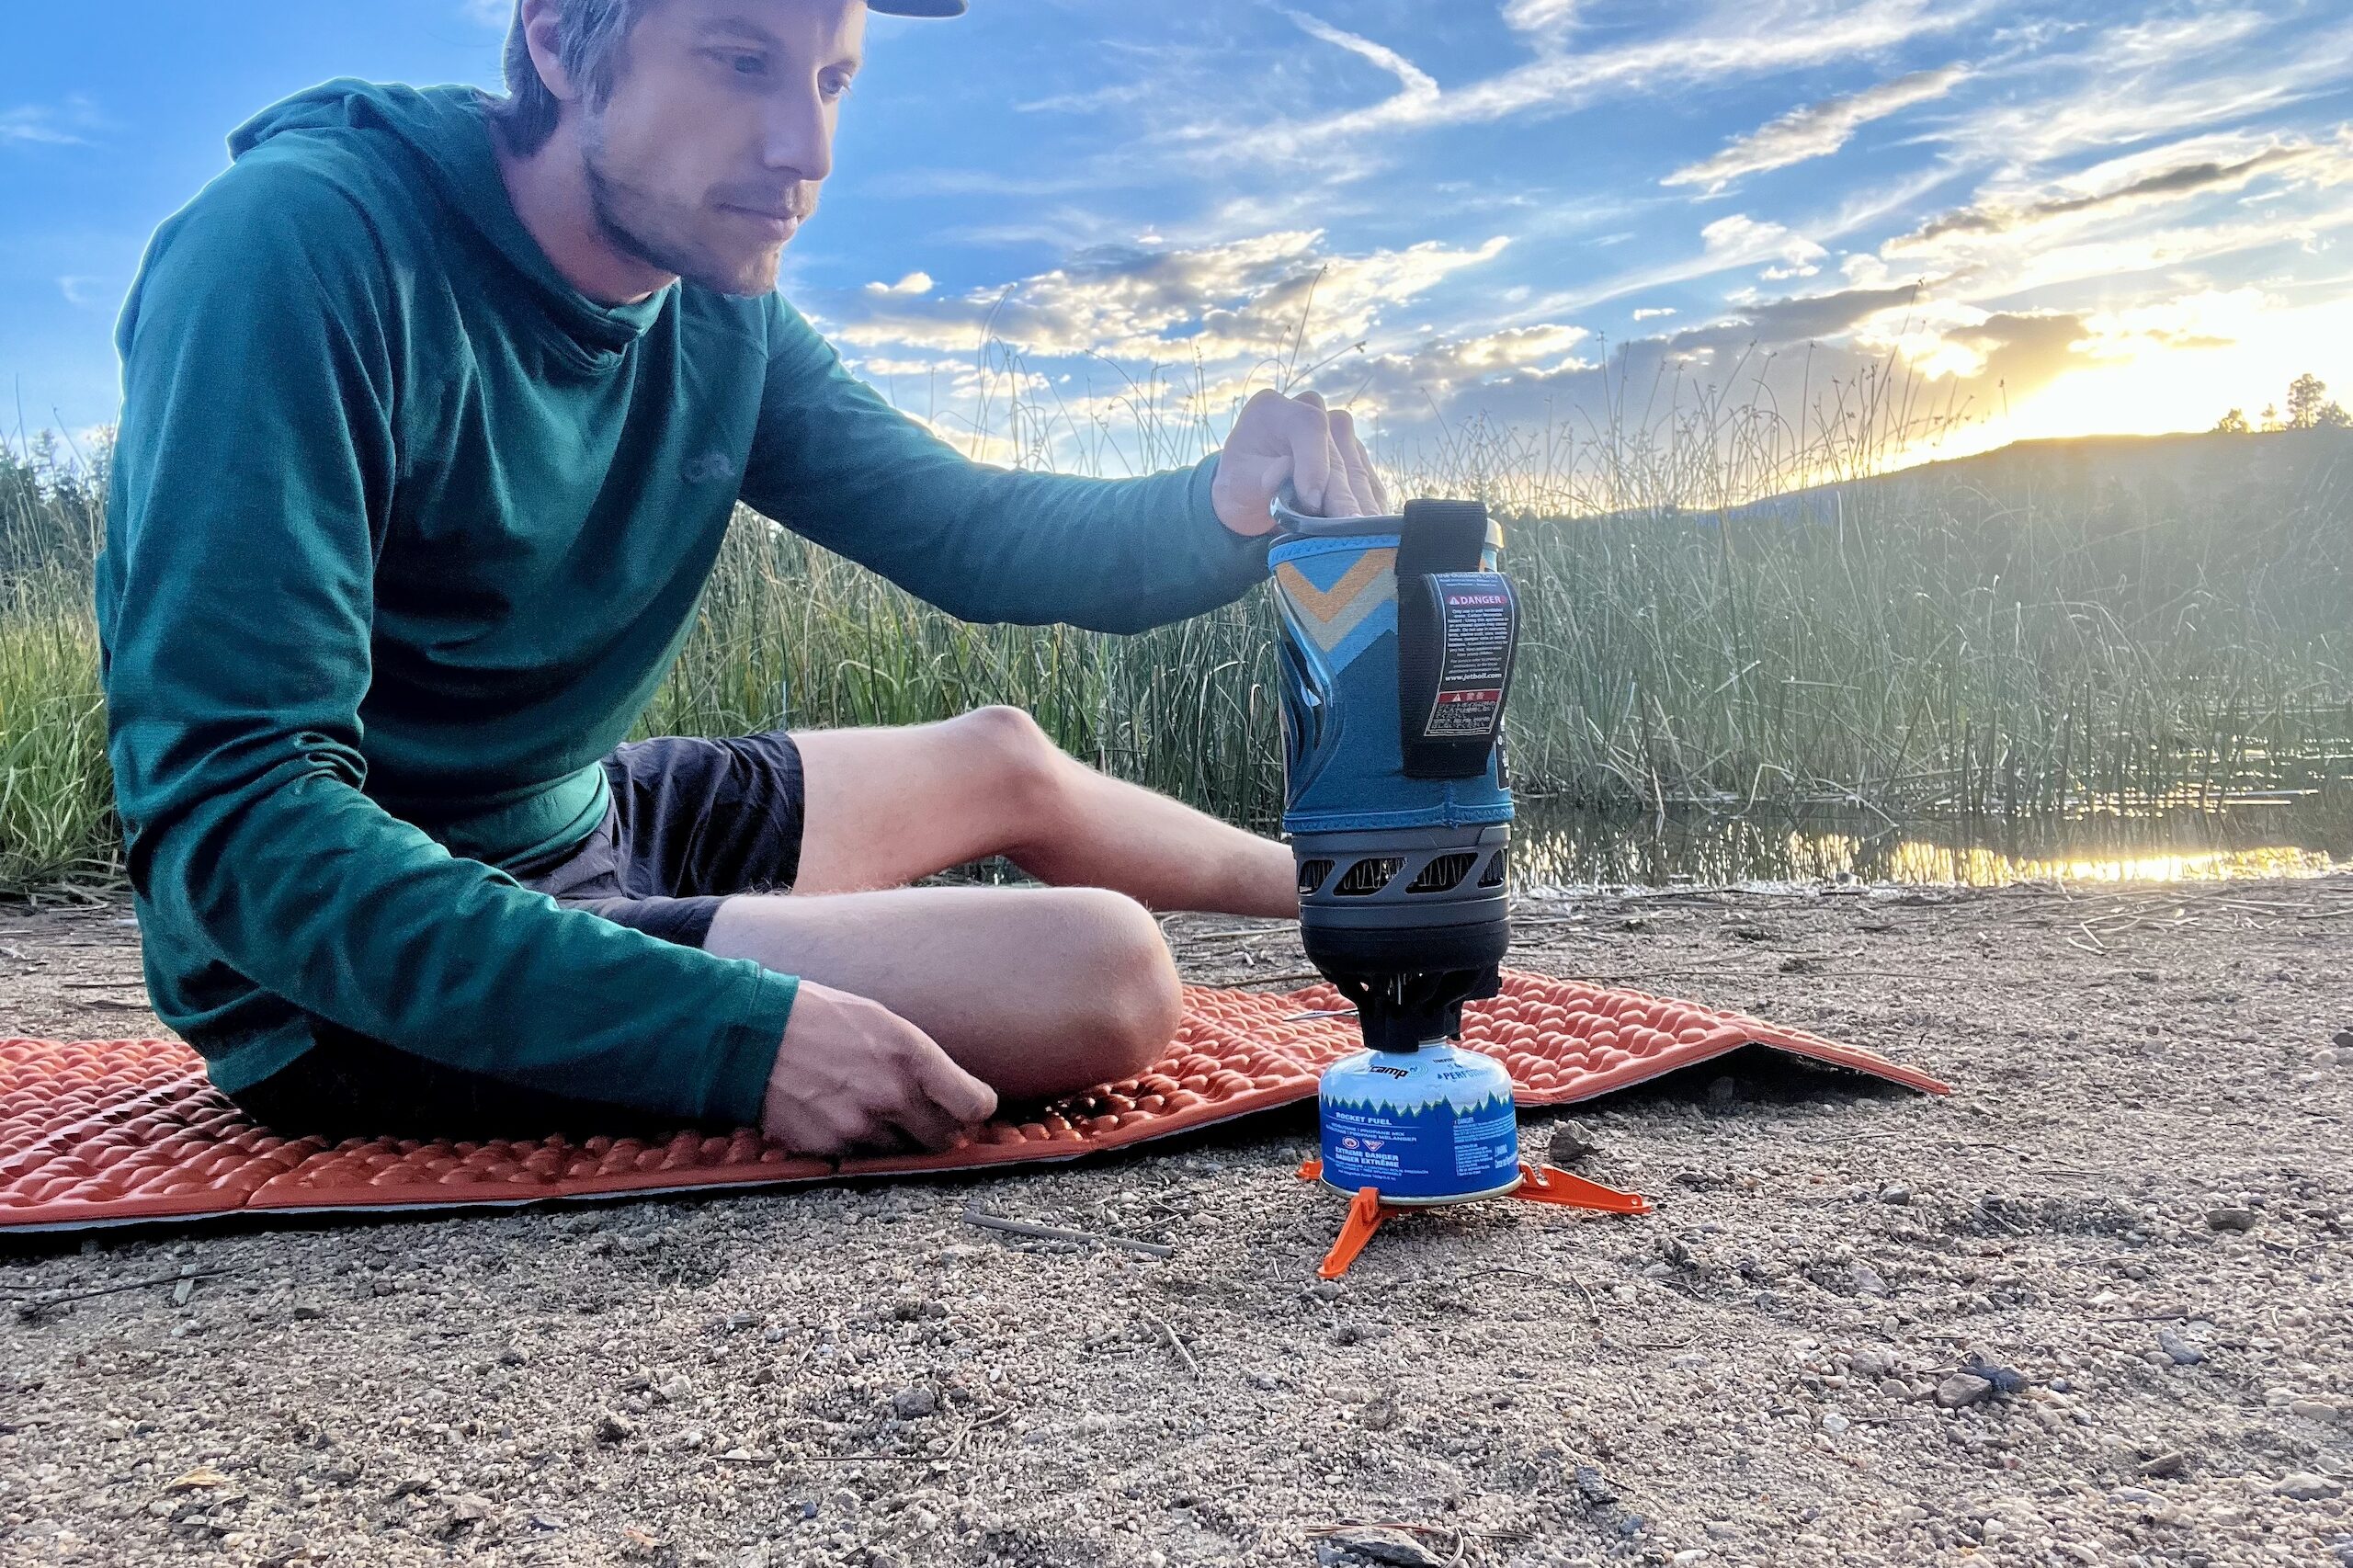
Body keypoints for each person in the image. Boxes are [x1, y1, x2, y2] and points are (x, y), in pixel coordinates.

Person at [95, 0, 1392, 1153]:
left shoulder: (715, 305)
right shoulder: (297, 250)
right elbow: (239, 814)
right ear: (558, 36)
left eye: (831, 79)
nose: (806, 151)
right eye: (740, 61)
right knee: (1108, 974)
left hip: (580, 821)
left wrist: (1225, 509)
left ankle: (1364, 891)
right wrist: (734, 1030)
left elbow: (973, 529)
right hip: (356, 957)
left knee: (1005, 755)